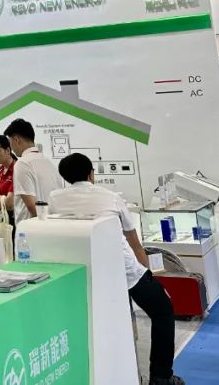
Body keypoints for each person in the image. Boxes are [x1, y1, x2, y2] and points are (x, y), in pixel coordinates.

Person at [50, 154, 183, 385]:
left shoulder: (55, 199)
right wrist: (147, 273)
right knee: (163, 311)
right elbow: (134, 241)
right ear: (91, 174)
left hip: (84, 271)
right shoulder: (111, 197)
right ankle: (161, 377)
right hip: (125, 270)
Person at [5, 118, 64, 225]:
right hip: (52, 225)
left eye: (10, 142)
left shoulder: (22, 163)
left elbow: (32, 206)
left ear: (16, 139)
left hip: (31, 228)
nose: (11, 148)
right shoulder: (48, 162)